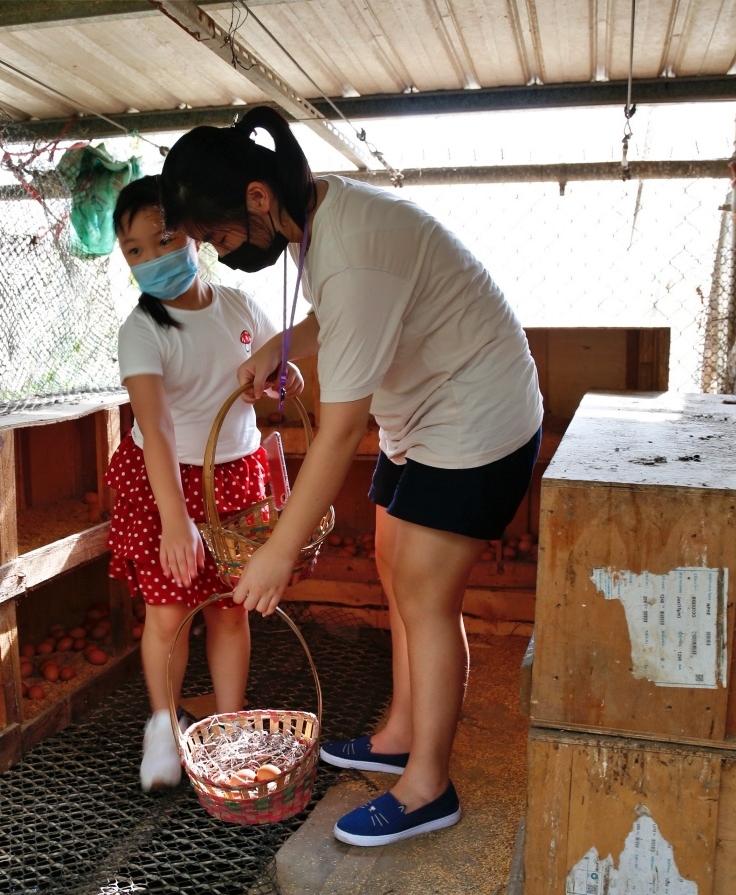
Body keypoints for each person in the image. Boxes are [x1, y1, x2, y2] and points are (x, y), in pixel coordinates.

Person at [160, 107, 544, 847]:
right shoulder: (321, 216)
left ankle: (428, 786)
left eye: (215, 234)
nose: (215, 250)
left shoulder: (352, 249)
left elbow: (337, 432)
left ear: (257, 198)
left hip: (474, 425)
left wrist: (276, 552)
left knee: (427, 597)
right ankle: (401, 730)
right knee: (394, 566)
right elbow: (335, 313)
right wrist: (283, 341)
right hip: (425, 417)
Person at [104, 175, 304, 791]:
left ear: (194, 235)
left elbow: (283, 377)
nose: (150, 258)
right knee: (168, 613)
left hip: (238, 478)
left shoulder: (242, 308)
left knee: (229, 611)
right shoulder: (143, 331)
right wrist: (175, 519)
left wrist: (280, 381)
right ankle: (163, 729)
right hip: (166, 482)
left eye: (162, 239)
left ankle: (231, 729)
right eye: (134, 249)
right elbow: (155, 427)